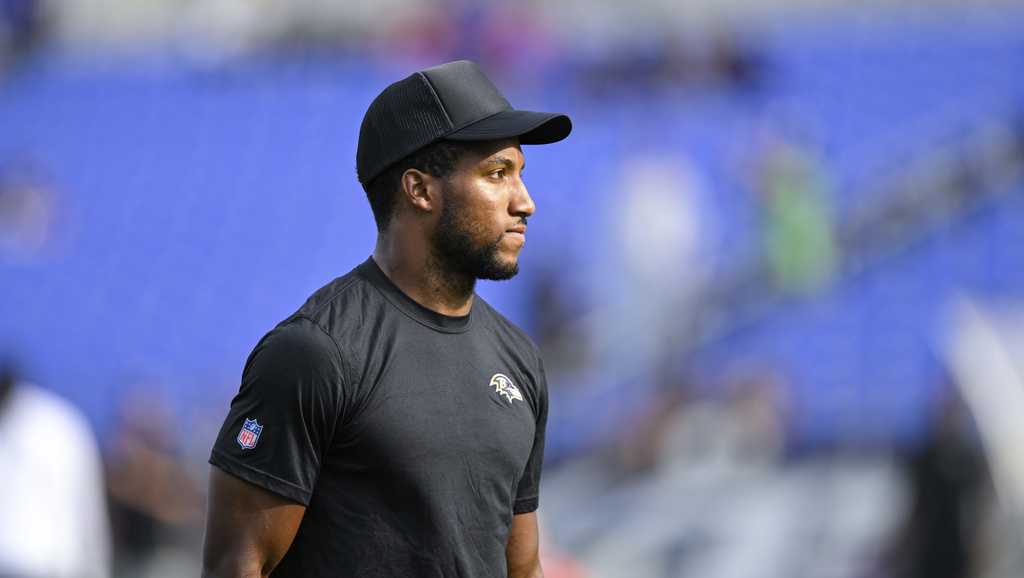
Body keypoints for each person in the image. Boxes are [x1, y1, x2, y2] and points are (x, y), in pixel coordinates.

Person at [202, 60, 571, 577]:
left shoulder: (518, 360)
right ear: (419, 190)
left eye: (520, 174)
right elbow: (237, 566)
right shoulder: (314, 352)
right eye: (496, 174)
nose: (525, 203)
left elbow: (523, 568)